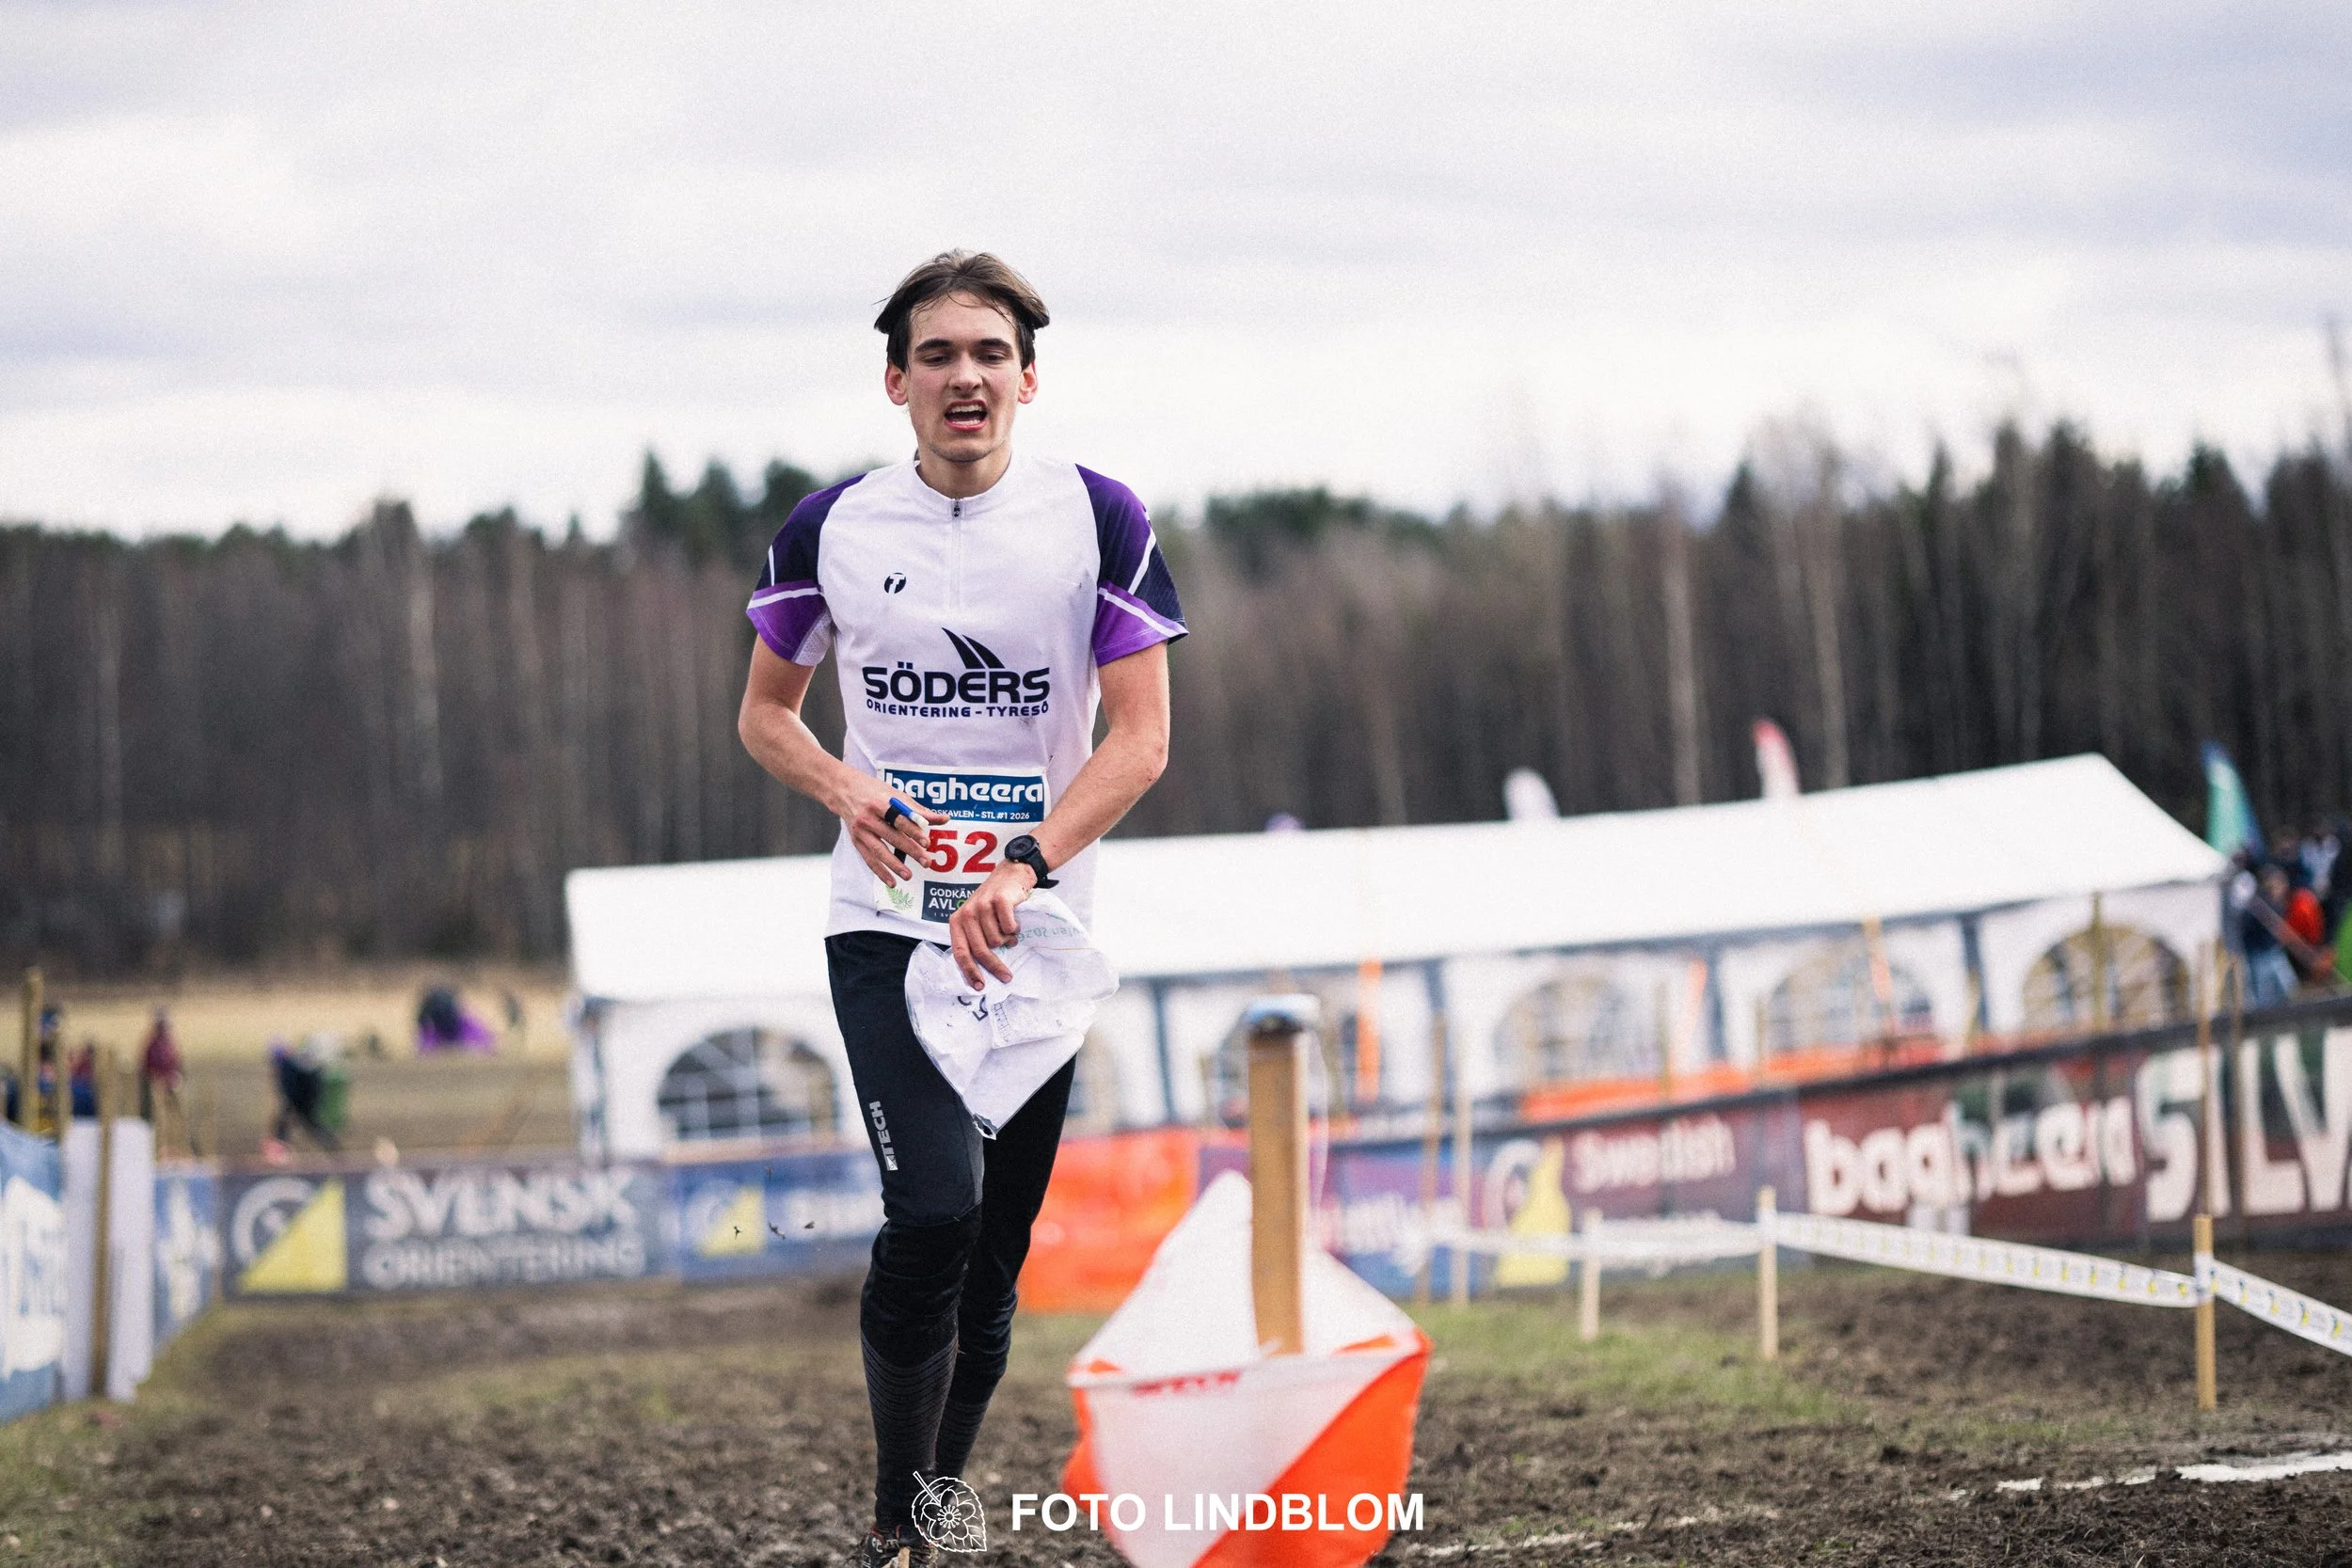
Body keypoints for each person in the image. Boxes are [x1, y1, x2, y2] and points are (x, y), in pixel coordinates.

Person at [737, 251, 1184, 1567]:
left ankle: (931, 1506)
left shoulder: (1098, 518)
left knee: (991, 1266)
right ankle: (898, 1518)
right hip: (885, 921)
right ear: (897, 381)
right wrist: (844, 787)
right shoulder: (832, 527)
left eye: (989, 353)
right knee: (932, 1204)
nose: (965, 377)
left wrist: (1023, 866)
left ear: (1028, 378)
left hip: (1035, 936)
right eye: (937, 355)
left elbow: (1143, 740)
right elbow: (765, 713)